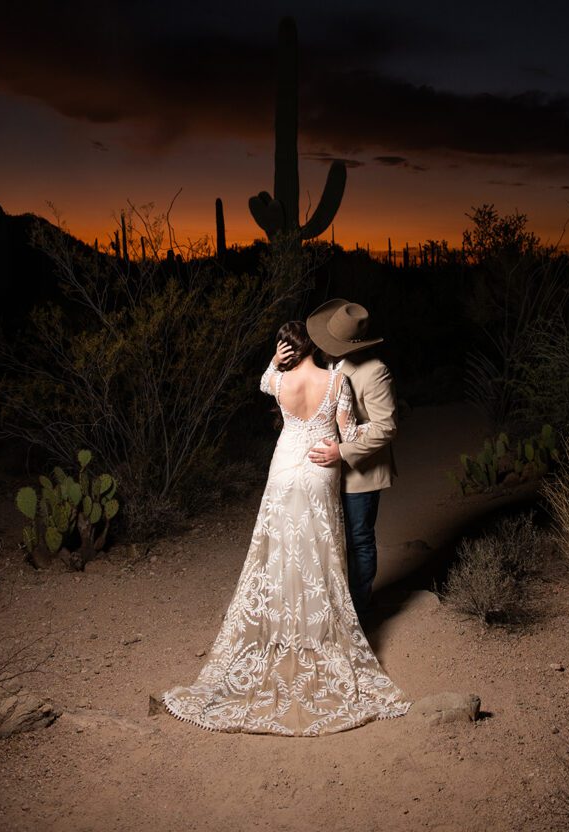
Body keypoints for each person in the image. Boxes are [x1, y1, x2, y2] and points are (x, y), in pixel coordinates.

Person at [162, 320, 411, 736]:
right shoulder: (336, 382)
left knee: (277, 550)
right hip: (318, 470)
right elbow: (347, 434)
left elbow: (263, 381)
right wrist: (362, 433)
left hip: (283, 470)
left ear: (286, 350)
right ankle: (318, 632)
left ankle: (278, 633)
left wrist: (274, 362)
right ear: (314, 346)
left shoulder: (277, 382)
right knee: (320, 553)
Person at [305, 299, 397, 621]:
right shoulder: (328, 365)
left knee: (358, 539)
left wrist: (341, 452)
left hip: (361, 474)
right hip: (328, 473)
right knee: (334, 540)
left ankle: (360, 611)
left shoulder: (375, 372)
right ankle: (341, 606)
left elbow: (386, 426)